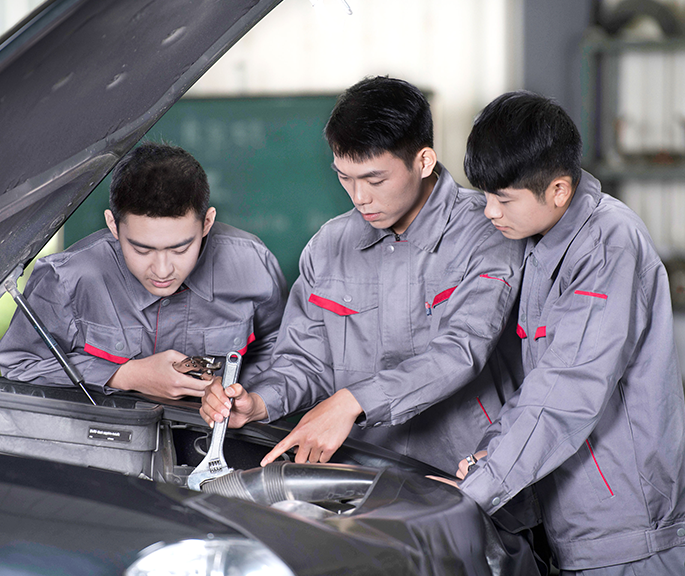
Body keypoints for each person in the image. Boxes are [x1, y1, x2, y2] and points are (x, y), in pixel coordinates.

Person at [200, 76, 526, 474]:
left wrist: (352, 402)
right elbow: (305, 362)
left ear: (423, 161)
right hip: (358, 476)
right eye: (344, 177)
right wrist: (259, 401)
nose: (359, 198)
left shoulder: (490, 230)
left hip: (465, 474)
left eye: (375, 180)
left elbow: (460, 350)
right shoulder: (328, 246)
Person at [456, 91, 685, 574]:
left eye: (503, 199)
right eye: (485, 196)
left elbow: (570, 386)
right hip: (579, 525)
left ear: (558, 190)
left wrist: (481, 487)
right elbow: (539, 380)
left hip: (628, 535)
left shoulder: (606, 244)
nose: (490, 212)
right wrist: (493, 449)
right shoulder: (544, 245)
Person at [0, 142, 288, 399]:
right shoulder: (67, 279)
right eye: (142, 249)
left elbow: (281, 352)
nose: (162, 270)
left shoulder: (252, 263)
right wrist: (127, 375)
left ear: (207, 223)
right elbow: (17, 364)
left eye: (180, 249)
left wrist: (247, 398)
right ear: (113, 225)